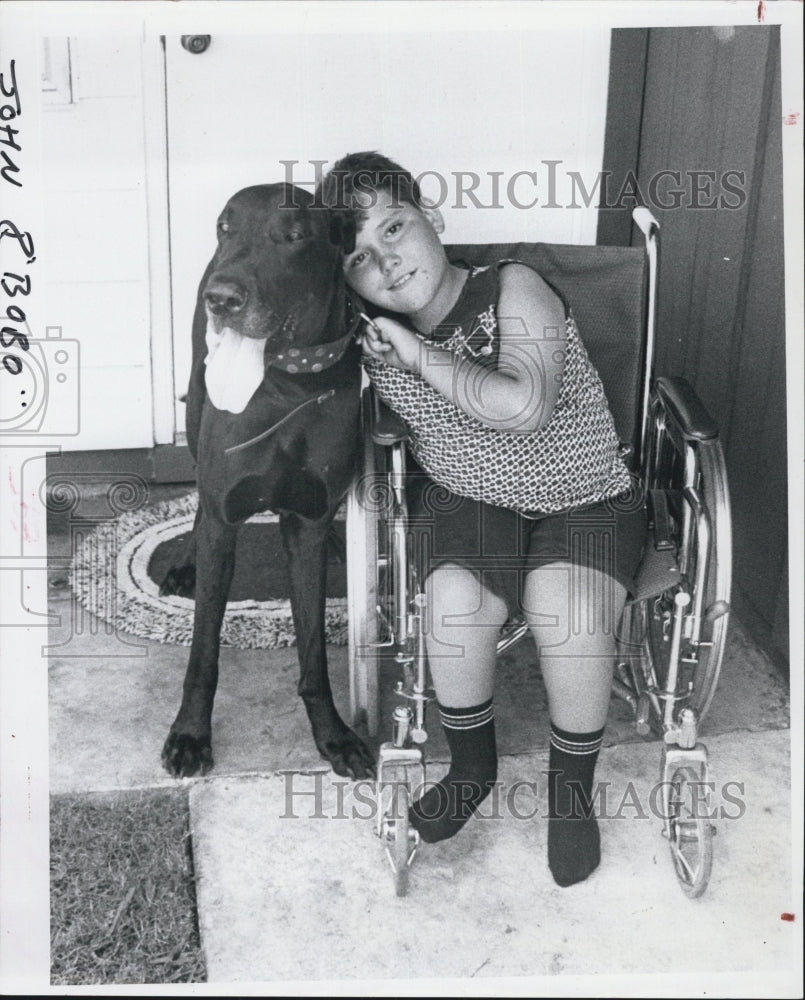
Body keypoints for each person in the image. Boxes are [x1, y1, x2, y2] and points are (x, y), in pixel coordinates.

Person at [318, 152, 647, 887]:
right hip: (471, 501)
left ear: (432, 218)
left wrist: (414, 355)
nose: (388, 262)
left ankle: (571, 796)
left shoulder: (512, 287)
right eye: (361, 260)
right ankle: (472, 767)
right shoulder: (371, 337)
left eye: (395, 228)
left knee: (567, 608)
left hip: (585, 491)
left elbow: (524, 409)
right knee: (454, 607)